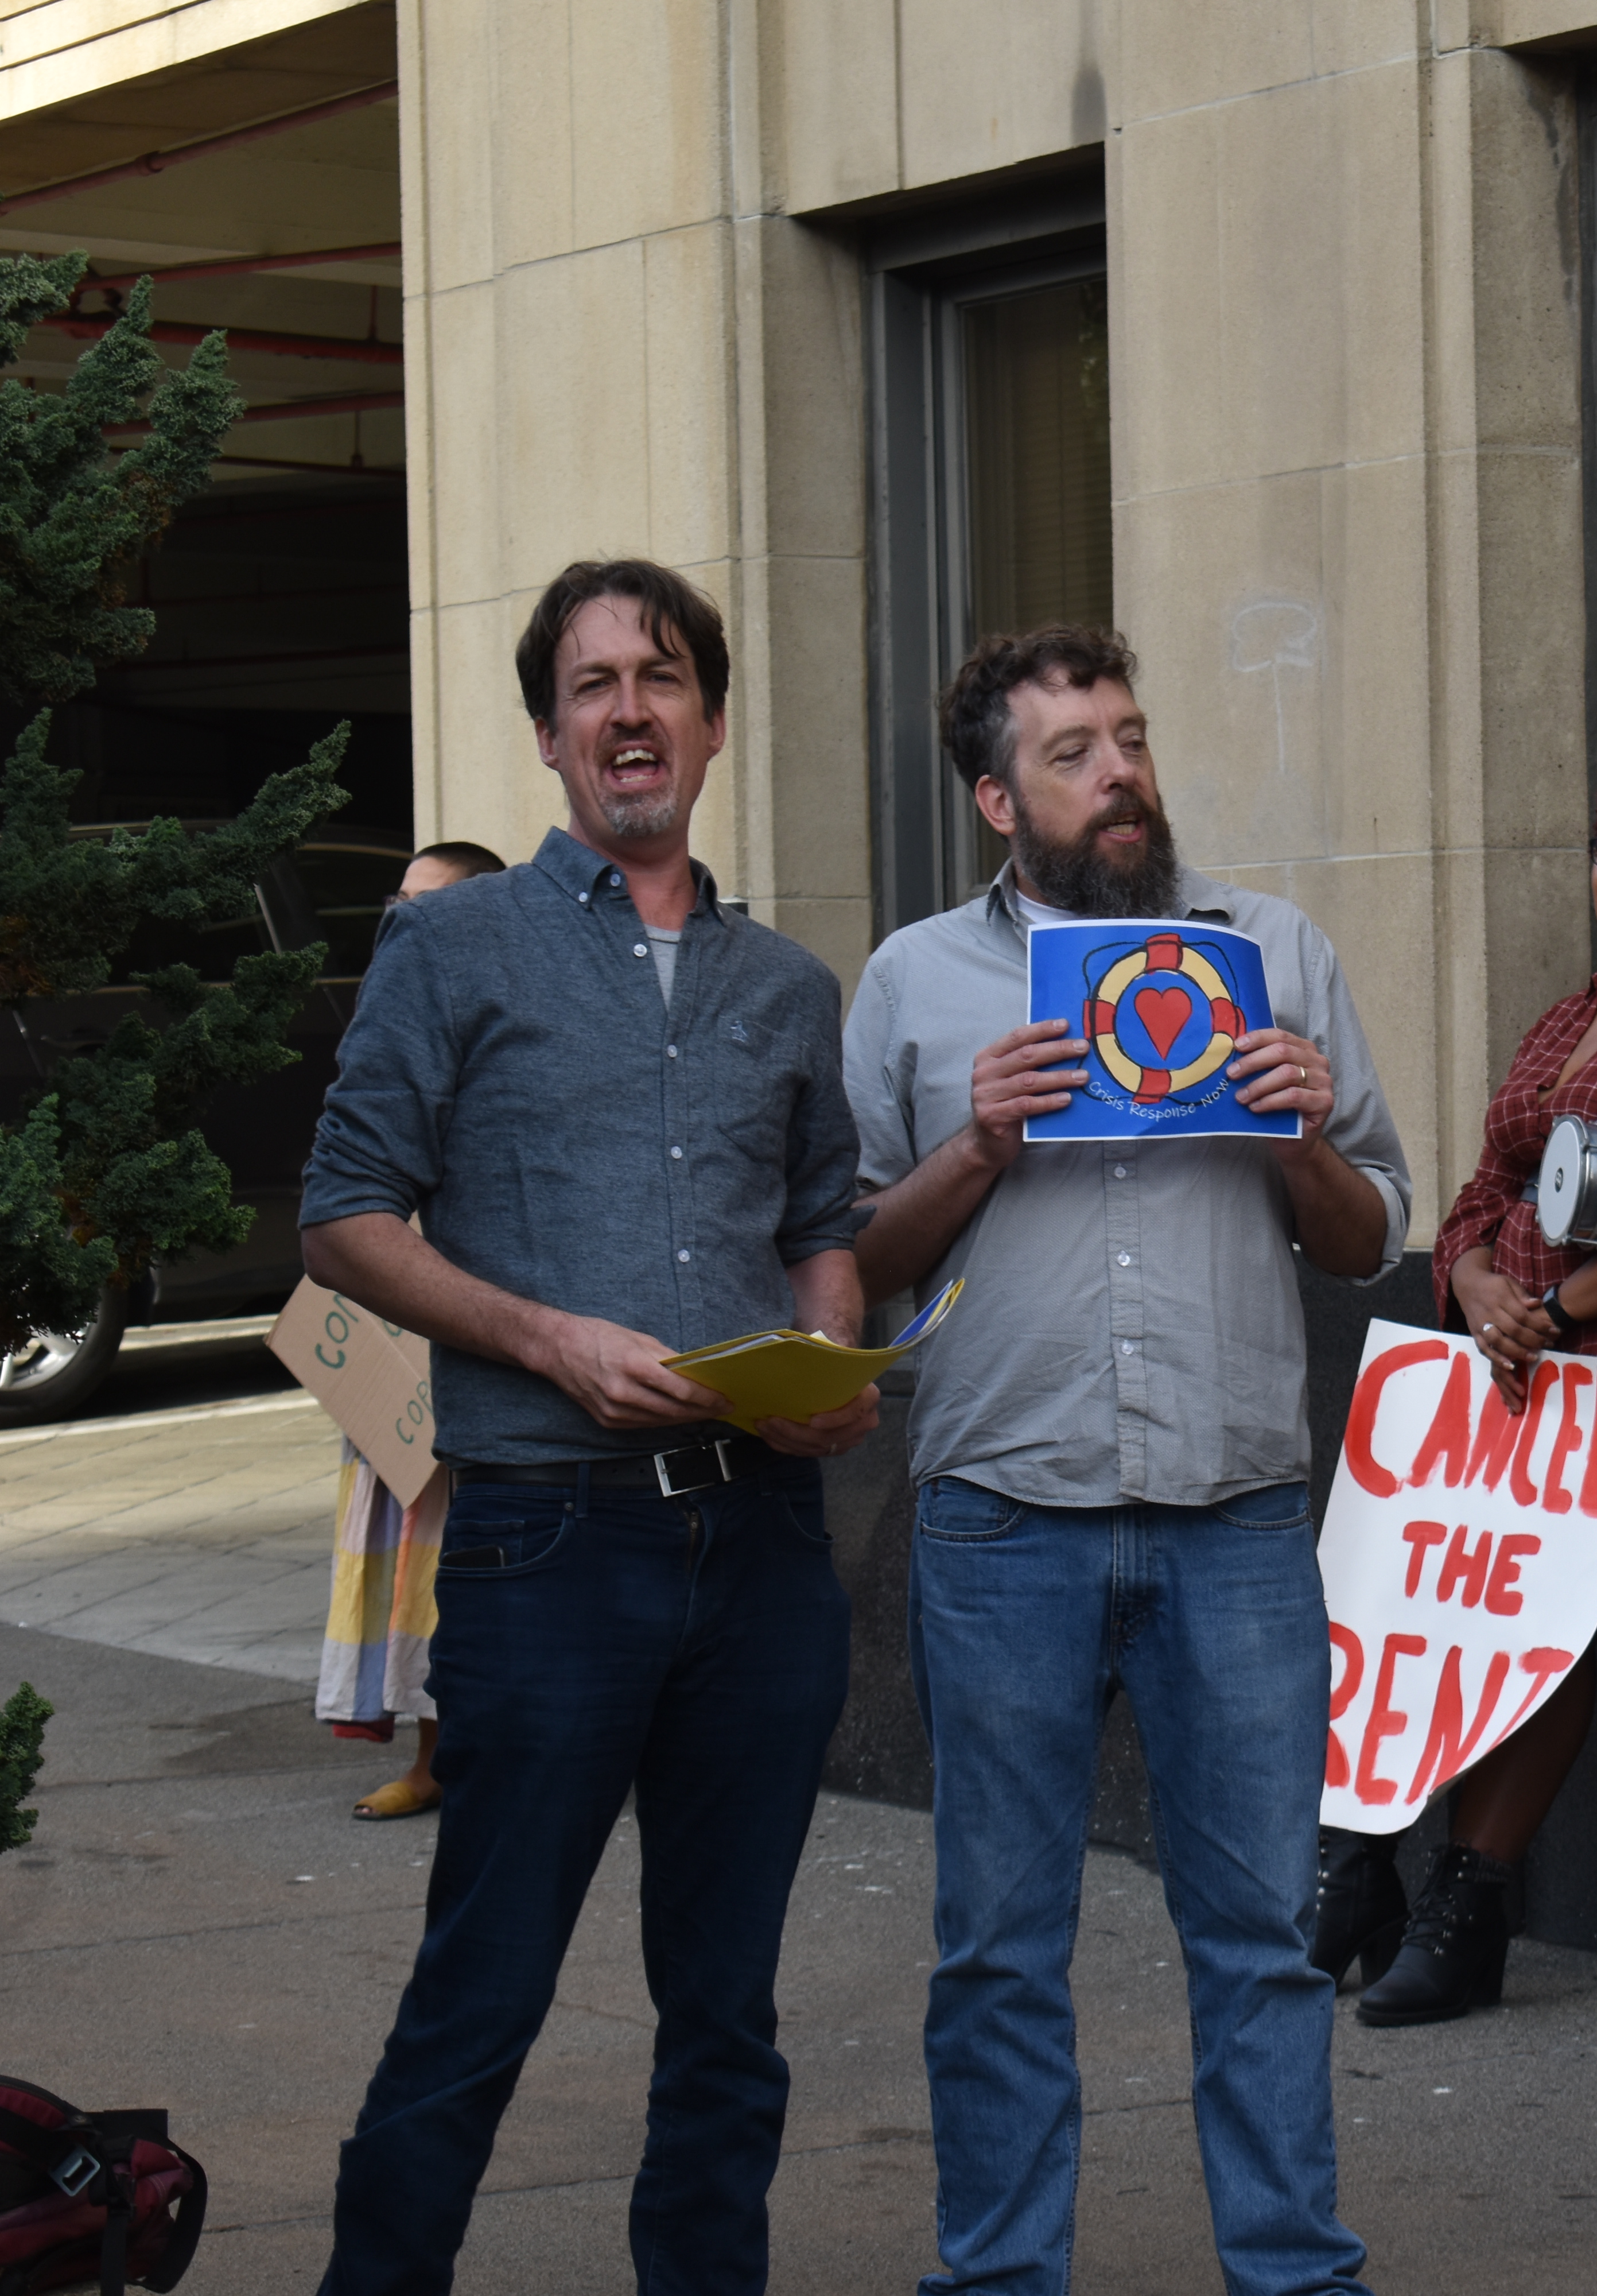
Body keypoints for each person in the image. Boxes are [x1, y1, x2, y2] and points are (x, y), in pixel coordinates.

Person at [300, 560, 878, 2294]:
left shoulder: (787, 985)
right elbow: (343, 1216)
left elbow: (824, 1221)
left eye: (665, 675)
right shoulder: (450, 944)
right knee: (483, 1990)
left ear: (710, 718)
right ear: (550, 734)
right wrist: (548, 1339)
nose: (633, 708)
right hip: (548, 1541)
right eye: (596, 682)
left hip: (761, 1551)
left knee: (728, 2004)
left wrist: (831, 1354)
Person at [842, 626, 1405, 2296]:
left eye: (1132, 739)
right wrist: (981, 1142)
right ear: (994, 797)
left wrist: (1297, 1133)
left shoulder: (1274, 949)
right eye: (1075, 752)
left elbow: (1371, 1236)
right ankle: (1000, 2277)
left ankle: (1295, 2274)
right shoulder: (918, 980)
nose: (1121, 776)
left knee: (1262, 1945)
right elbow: (861, 1253)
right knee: (1000, 1952)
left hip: (1235, 1520)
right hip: (1004, 1521)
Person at [1314, 750, 1597, 2023]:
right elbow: (1483, 1182)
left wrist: (1564, 1305)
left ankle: (1471, 1909)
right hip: (1496, 1381)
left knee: (1541, 1637)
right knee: (1421, 1615)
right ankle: (1358, 1876)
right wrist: (1469, 1283)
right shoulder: (1574, 1010)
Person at [320, 842, 510, 1821]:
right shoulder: (388, 1024)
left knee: (459, 1564)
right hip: (394, 1353)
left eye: (424, 905)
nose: (404, 922)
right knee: (411, 1564)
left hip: (484, 1351)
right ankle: (435, 1759)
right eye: (396, 903)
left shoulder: (506, 1024)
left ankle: (483, 1757)